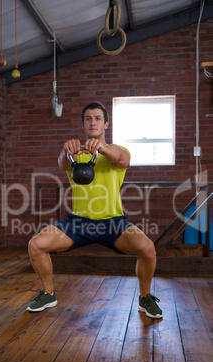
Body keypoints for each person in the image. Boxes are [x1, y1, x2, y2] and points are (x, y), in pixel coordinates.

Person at [27, 101, 162, 319]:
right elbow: (62, 164)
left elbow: (122, 158)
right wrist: (65, 150)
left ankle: (145, 298)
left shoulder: (116, 151)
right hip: (78, 224)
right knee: (36, 245)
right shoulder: (75, 154)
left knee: (147, 248)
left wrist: (103, 149)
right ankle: (48, 293)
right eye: (88, 118)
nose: (93, 122)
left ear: (106, 124)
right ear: (83, 124)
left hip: (114, 224)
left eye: (98, 118)